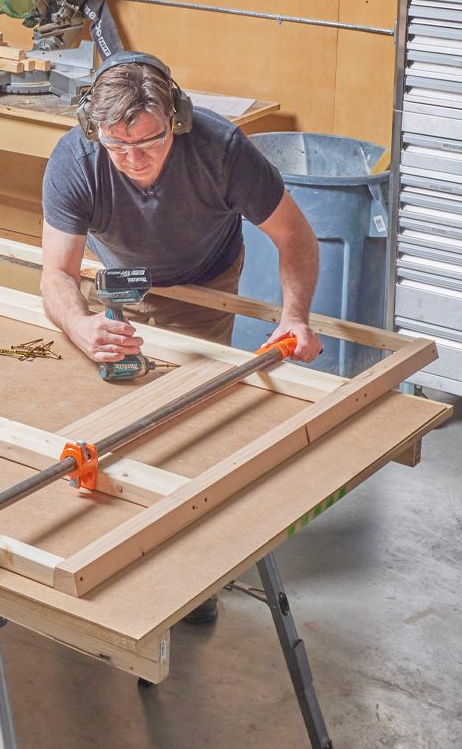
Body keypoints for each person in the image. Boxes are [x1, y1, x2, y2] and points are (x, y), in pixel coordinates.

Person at [40, 51, 322, 622]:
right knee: (106, 407)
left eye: (149, 143)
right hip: (116, 281)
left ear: (179, 121)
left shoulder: (221, 149)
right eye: (118, 148)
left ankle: (189, 581)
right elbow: (57, 275)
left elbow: (295, 237)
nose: (134, 161)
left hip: (202, 282)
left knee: (188, 421)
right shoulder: (76, 158)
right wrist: (81, 324)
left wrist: (294, 317)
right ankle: (96, 550)